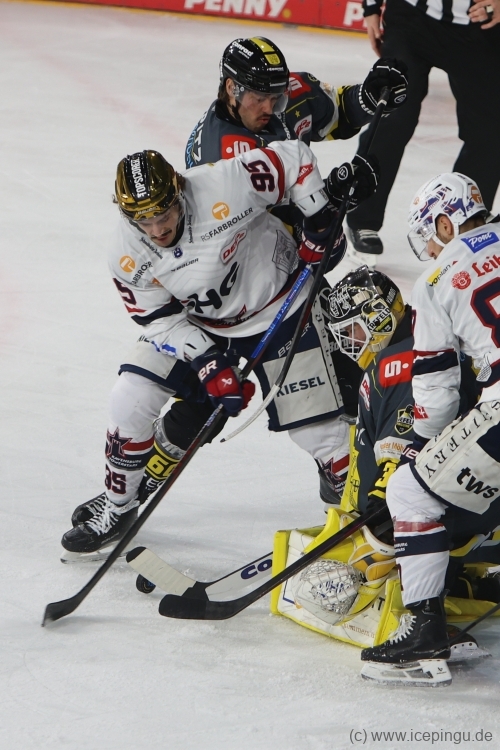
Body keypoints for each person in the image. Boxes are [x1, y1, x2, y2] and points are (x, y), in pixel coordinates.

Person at [61, 141, 379, 561]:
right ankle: (119, 506)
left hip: (280, 306)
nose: (156, 229)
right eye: (143, 220)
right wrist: (207, 361)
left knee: (321, 437)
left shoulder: (223, 184)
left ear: (178, 192)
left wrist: (318, 217)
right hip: (200, 323)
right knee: (129, 399)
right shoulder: (125, 253)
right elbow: (159, 320)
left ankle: (367, 525)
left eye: (163, 213)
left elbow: (294, 158)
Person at [185, 36, 408, 502]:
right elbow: (294, 235)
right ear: (231, 89)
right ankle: (132, 484)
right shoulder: (222, 156)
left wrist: (371, 95)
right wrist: (337, 195)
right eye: (259, 98)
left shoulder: (284, 97)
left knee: (356, 341)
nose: (270, 107)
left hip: (289, 274)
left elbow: (338, 111)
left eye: (276, 96)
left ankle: (352, 473)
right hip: (231, 290)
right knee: (202, 400)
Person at [358, 172, 500, 686]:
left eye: (431, 237)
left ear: (445, 223)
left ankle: (424, 634)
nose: (432, 251)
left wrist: (421, 451)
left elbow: (436, 395)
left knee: (409, 492)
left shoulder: (437, 280)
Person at [345, 0, 500, 267]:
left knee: (489, 131)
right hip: (411, 18)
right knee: (394, 118)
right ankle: (362, 220)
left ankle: (465, 227)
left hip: (477, 24)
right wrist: (371, 8)